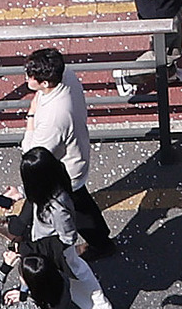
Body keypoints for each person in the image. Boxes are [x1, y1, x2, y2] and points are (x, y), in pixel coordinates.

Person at [0, 147, 113, 309]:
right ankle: (97, 307)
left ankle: (99, 307)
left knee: (74, 273)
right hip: (49, 244)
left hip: (53, 248)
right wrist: (19, 192)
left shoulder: (57, 208)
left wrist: (38, 248)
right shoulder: (56, 183)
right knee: (75, 273)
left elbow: (68, 237)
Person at [20, 47, 113, 254]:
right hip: (75, 157)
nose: (26, 77)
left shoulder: (54, 119)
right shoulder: (66, 76)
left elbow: (34, 153)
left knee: (75, 206)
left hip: (65, 171)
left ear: (44, 83)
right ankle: (18, 227)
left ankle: (101, 244)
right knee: (80, 204)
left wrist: (31, 115)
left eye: (30, 75)